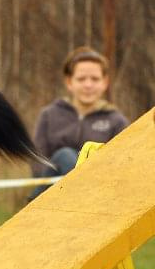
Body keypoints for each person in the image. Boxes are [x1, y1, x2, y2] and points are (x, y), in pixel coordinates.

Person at [28, 46, 129, 201]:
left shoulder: (117, 121)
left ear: (105, 82)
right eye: (81, 79)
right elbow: (37, 161)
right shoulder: (49, 115)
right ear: (69, 82)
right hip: (52, 194)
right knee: (65, 155)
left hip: (99, 196)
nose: (88, 85)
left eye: (95, 79)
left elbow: (124, 165)